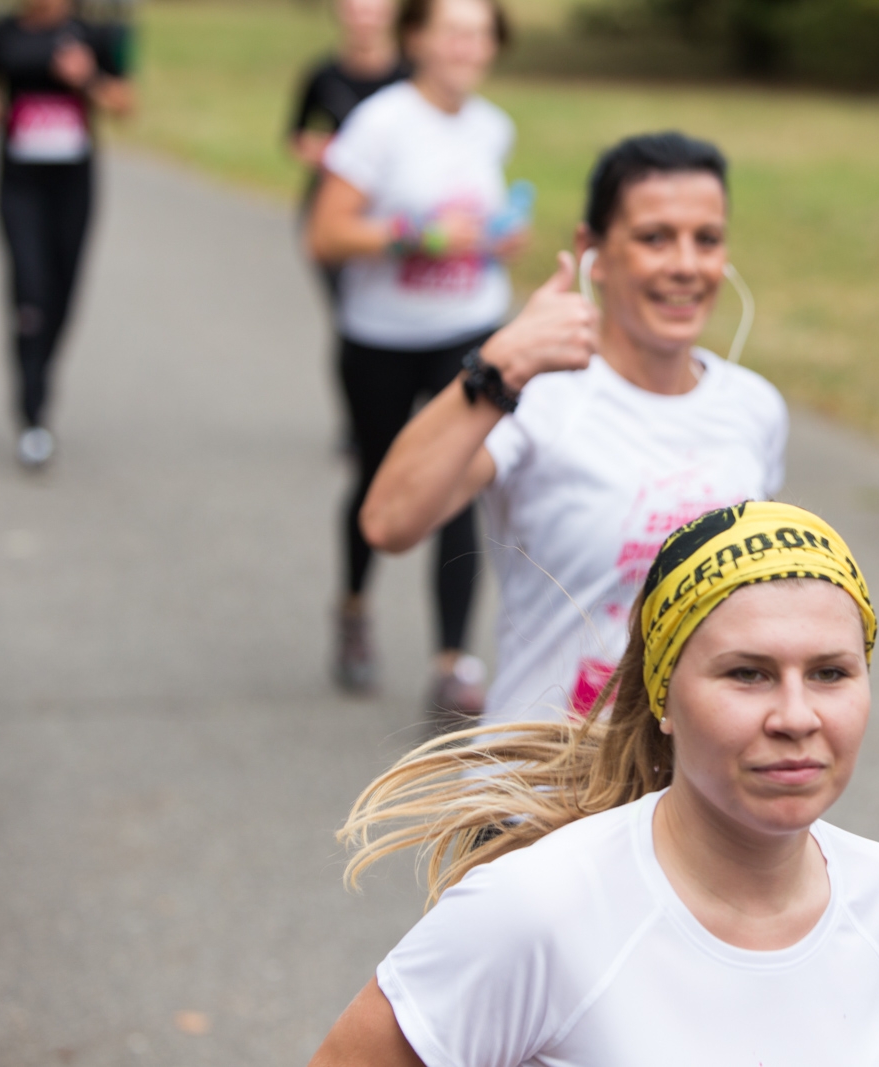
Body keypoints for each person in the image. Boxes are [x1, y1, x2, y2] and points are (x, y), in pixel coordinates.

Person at [309, 501, 879, 1067]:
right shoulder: (538, 908)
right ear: (665, 696)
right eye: (747, 673)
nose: (797, 716)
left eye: (830, 672)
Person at [360, 131, 789, 726]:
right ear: (594, 251)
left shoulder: (754, 407)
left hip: (683, 797)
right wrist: (497, 369)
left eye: (707, 239)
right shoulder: (536, 396)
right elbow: (388, 522)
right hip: (536, 790)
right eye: (654, 238)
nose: (686, 265)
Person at [306, 0, 523, 707]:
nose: (468, 46)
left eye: (481, 34)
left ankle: (453, 659)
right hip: (381, 336)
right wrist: (417, 237)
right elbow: (326, 234)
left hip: (468, 329)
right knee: (380, 478)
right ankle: (353, 608)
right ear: (417, 38)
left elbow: (478, 223)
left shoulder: (493, 126)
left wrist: (496, 237)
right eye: (453, 31)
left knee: (462, 477)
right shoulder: (381, 122)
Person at [0, 0, 133, 469]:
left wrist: (87, 79)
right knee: (29, 287)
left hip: (72, 188)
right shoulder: (0, 31)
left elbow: (125, 104)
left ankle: (42, 370)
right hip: (19, 186)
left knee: (61, 293)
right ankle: (32, 412)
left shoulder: (94, 35)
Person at [288, 0, 408, 454]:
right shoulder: (323, 75)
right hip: (332, 213)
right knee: (353, 318)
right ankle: (363, 421)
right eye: (355, 6)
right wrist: (325, 152)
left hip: (395, 215)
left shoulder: (412, 76)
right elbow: (296, 136)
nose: (364, 14)